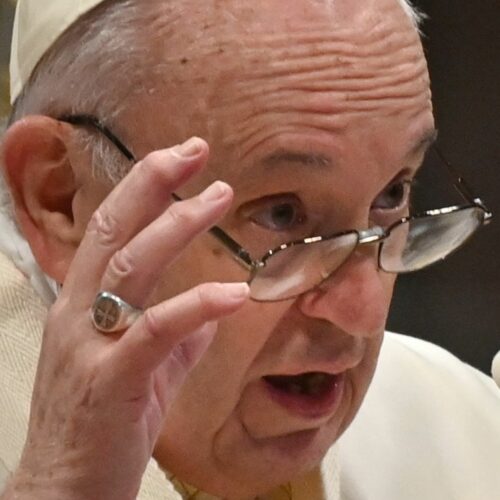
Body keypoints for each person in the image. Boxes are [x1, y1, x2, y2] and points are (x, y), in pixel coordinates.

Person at [1, 0, 499, 498]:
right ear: (61, 198)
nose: (364, 313)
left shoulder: (463, 432)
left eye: (392, 194)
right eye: (282, 214)